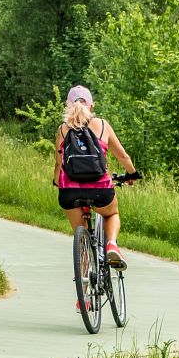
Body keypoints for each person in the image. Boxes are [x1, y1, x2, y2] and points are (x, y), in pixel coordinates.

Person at [54, 85, 139, 270]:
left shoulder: (62, 129)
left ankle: (83, 293)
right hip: (100, 188)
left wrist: (56, 181)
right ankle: (111, 245)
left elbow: (59, 163)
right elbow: (123, 156)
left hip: (69, 192)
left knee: (81, 236)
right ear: (91, 106)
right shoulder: (102, 125)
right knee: (112, 213)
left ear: (68, 106)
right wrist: (132, 173)